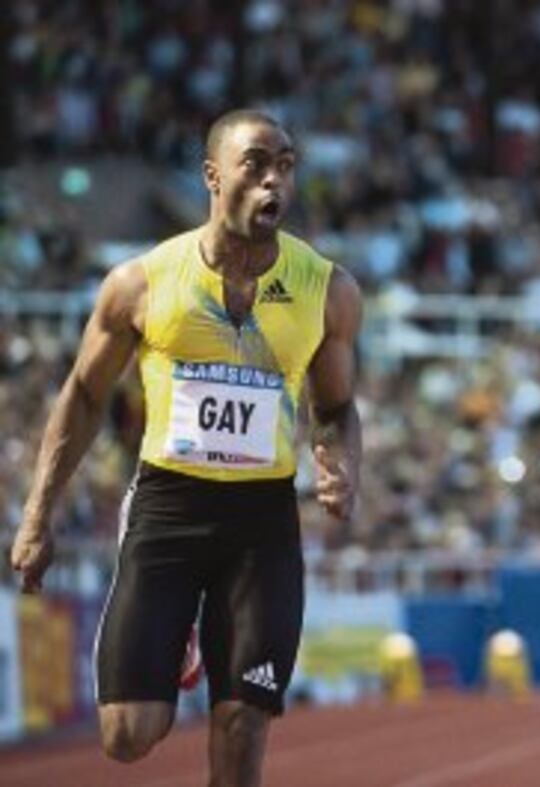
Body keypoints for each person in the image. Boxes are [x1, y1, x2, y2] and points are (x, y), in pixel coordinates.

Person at [10, 109, 363, 786]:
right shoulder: (142, 283)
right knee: (125, 733)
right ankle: (183, 640)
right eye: (255, 164)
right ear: (211, 176)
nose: (272, 183)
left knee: (241, 729)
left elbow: (339, 409)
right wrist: (36, 517)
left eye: (285, 166)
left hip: (262, 523)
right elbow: (83, 397)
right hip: (169, 506)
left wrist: (343, 460)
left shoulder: (328, 289)